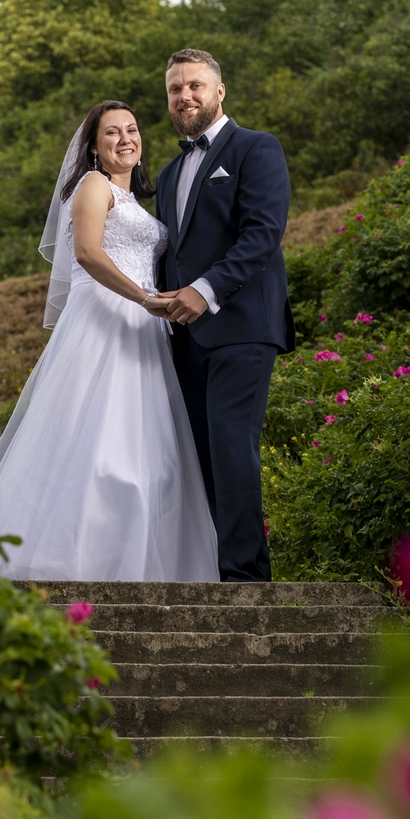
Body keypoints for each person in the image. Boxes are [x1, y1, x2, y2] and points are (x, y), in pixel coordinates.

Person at [0, 100, 218, 583]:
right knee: (99, 442)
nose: (126, 138)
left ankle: (141, 560)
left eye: (132, 129)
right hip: (107, 317)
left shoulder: (134, 200)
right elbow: (86, 252)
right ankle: (76, 559)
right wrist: (144, 298)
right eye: (111, 133)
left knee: (148, 446)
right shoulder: (93, 186)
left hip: (144, 329)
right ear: (94, 146)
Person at [151, 49, 295, 582]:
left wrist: (204, 290)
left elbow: (262, 234)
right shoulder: (168, 175)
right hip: (184, 337)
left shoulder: (257, 148)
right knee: (199, 457)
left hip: (241, 325)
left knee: (233, 447)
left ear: (219, 91)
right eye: (174, 89)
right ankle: (211, 573)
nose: (184, 96)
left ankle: (246, 581)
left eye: (194, 85)